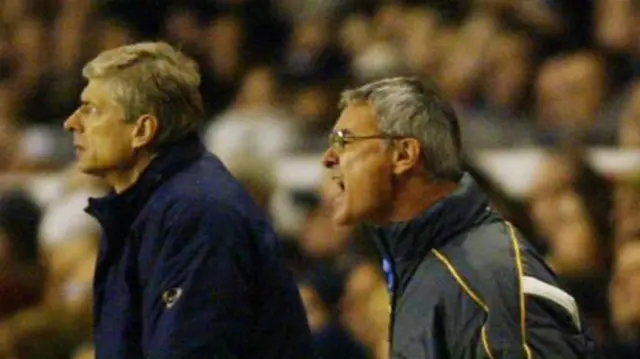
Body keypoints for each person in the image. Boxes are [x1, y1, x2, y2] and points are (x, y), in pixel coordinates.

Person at [63, 42, 315, 359]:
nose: (72, 122)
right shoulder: (145, 207)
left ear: (142, 130)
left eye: (92, 109)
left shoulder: (197, 214)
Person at [321, 76, 603, 359]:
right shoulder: (423, 265)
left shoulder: (491, 275)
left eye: (344, 141)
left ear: (403, 154)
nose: (329, 158)